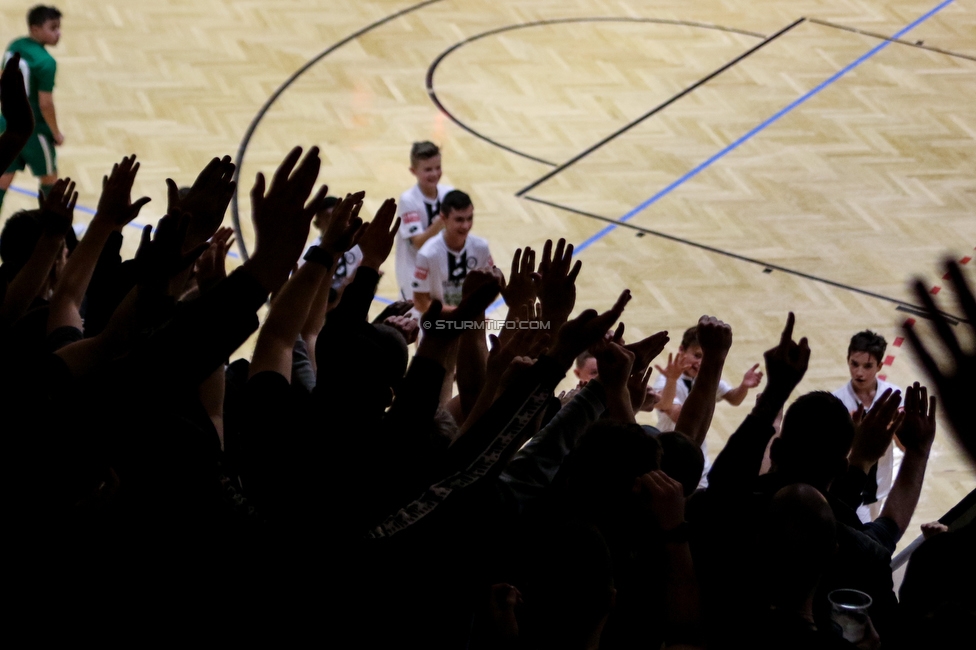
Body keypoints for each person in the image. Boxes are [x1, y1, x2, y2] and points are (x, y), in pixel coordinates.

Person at [652, 325, 762, 486]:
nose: (701, 363)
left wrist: (744, 386)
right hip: (669, 454)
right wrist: (672, 381)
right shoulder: (666, 379)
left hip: (698, 456)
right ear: (682, 350)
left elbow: (734, 398)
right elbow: (670, 408)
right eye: (697, 355)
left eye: (705, 357)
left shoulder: (707, 378)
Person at [832, 330, 902, 522]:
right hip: (848, 485)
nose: (859, 372)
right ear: (847, 360)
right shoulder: (837, 401)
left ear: (879, 366)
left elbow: (906, 447)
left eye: (867, 366)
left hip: (880, 487)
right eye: (854, 364)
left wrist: (895, 429)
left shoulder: (895, 396)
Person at [0, 6, 63, 214]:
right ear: (35, 29)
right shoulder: (46, 62)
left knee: (3, 177)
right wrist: (55, 132)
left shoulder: (14, 45)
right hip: (34, 131)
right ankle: (50, 231)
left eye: (59, 27)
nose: (58, 33)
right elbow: (45, 103)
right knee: (50, 180)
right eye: (53, 28)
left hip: (7, 124)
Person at [411, 189, 492, 314]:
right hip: (439, 326)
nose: (466, 226)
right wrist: (461, 314)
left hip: (471, 323)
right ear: (443, 218)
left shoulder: (481, 247)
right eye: (459, 220)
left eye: (469, 218)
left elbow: (491, 286)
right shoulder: (427, 254)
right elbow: (420, 302)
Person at [394, 141, 453, 300]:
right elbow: (418, 242)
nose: (434, 173)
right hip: (413, 273)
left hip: (441, 271)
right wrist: (442, 220)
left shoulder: (449, 193)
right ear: (413, 171)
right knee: (416, 322)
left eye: (438, 167)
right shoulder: (409, 200)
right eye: (428, 169)